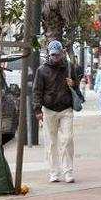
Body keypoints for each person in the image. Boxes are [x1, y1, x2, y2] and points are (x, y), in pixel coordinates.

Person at [33, 40, 84, 183]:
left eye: (58, 54)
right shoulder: (42, 70)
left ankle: (68, 171)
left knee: (67, 139)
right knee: (51, 143)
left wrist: (73, 83)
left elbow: (77, 84)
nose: (55, 57)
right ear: (49, 55)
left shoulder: (69, 67)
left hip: (66, 108)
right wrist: (37, 109)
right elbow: (37, 91)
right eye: (53, 55)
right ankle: (54, 172)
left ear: (62, 53)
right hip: (49, 110)